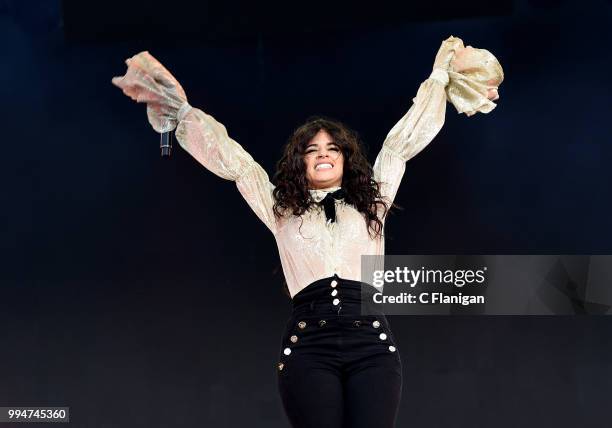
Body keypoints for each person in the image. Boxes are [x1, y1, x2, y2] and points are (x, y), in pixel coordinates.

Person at [111, 35, 503, 428]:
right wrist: (182, 112)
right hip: (309, 344)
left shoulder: (372, 201)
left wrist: (437, 78)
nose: (323, 154)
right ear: (301, 162)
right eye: (313, 150)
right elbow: (237, 163)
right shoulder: (281, 208)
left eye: (332, 149)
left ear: (346, 159)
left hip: (370, 343)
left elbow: (400, 144)